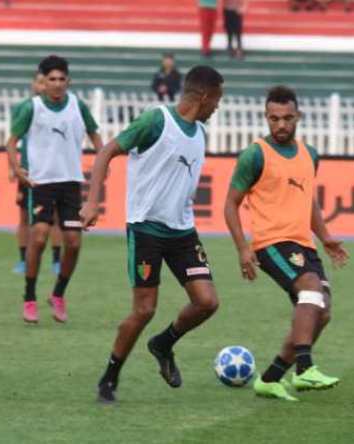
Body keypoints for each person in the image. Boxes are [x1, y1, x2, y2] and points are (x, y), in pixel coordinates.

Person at [81, 65, 225, 404]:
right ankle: (109, 377)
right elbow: (106, 152)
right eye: (217, 99)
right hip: (146, 229)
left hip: (183, 231)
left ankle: (163, 343)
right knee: (144, 310)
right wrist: (92, 201)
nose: (218, 106)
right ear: (204, 96)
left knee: (207, 302)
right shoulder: (156, 121)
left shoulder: (200, 132)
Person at [223, 85, 348, 401]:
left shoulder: (310, 155)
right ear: (266, 117)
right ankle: (304, 369)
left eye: (287, 118)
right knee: (311, 290)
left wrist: (326, 237)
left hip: (304, 244)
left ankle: (270, 378)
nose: (280, 124)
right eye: (274, 118)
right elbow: (230, 204)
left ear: (298, 117)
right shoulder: (255, 155)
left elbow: (309, 200)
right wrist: (243, 248)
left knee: (322, 311)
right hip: (271, 243)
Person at [7, 55, 103, 324]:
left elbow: (95, 135)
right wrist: (17, 169)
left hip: (70, 182)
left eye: (62, 79)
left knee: (73, 242)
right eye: (52, 79)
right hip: (41, 183)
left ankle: (58, 294)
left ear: (68, 81)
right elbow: (11, 141)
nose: (57, 83)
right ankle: (29, 297)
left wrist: (102, 160)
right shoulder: (33, 107)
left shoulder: (78, 106)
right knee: (38, 237)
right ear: (44, 81)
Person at [12, 71, 63, 276]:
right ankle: (23, 259)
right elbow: (13, 140)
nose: (43, 86)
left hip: (53, 172)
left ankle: (56, 260)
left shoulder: (59, 108)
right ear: (34, 84)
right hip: (28, 172)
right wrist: (14, 168)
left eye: (45, 82)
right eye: (40, 82)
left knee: (56, 217)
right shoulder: (23, 108)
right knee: (25, 217)